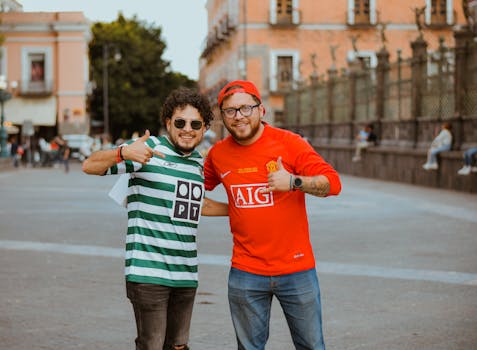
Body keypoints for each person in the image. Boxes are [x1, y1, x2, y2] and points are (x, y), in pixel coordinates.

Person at [82, 87, 227, 350]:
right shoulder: (149, 149)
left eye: (195, 124)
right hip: (148, 273)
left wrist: (239, 209)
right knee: (152, 345)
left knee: (178, 346)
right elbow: (89, 165)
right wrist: (123, 153)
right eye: (180, 122)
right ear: (168, 122)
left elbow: (196, 204)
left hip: (185, 274)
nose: (187, 129)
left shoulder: (197, 162)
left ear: (204, 127)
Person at [203, 80, 342, 350]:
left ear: (261, 109)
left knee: (312, 346)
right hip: (245, 272)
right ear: (222, 117)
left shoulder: (290, 143)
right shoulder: (218, 154)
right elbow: (194, 190)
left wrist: (293, 182)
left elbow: (332, 183)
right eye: (230, 111)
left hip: (297, 269)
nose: (239, 116)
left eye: (246, 108)